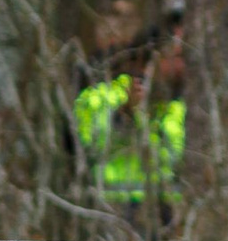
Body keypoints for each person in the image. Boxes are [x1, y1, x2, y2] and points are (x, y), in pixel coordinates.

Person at [73, 38, 186, 231]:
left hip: (161, 206)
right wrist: (125, 114)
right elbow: (92, 146)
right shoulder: (97, 98)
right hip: (111, 204)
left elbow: (175, 155)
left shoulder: (174, 105)